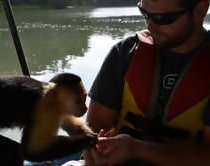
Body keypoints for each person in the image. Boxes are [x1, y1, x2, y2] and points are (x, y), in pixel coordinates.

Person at [84, 0, 210, 165]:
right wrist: (93, 150)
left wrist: (137, 149)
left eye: (162, 18)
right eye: (145, 14)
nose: (150, 26)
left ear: (200, 10)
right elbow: (94, 129)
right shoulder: (124, 53)